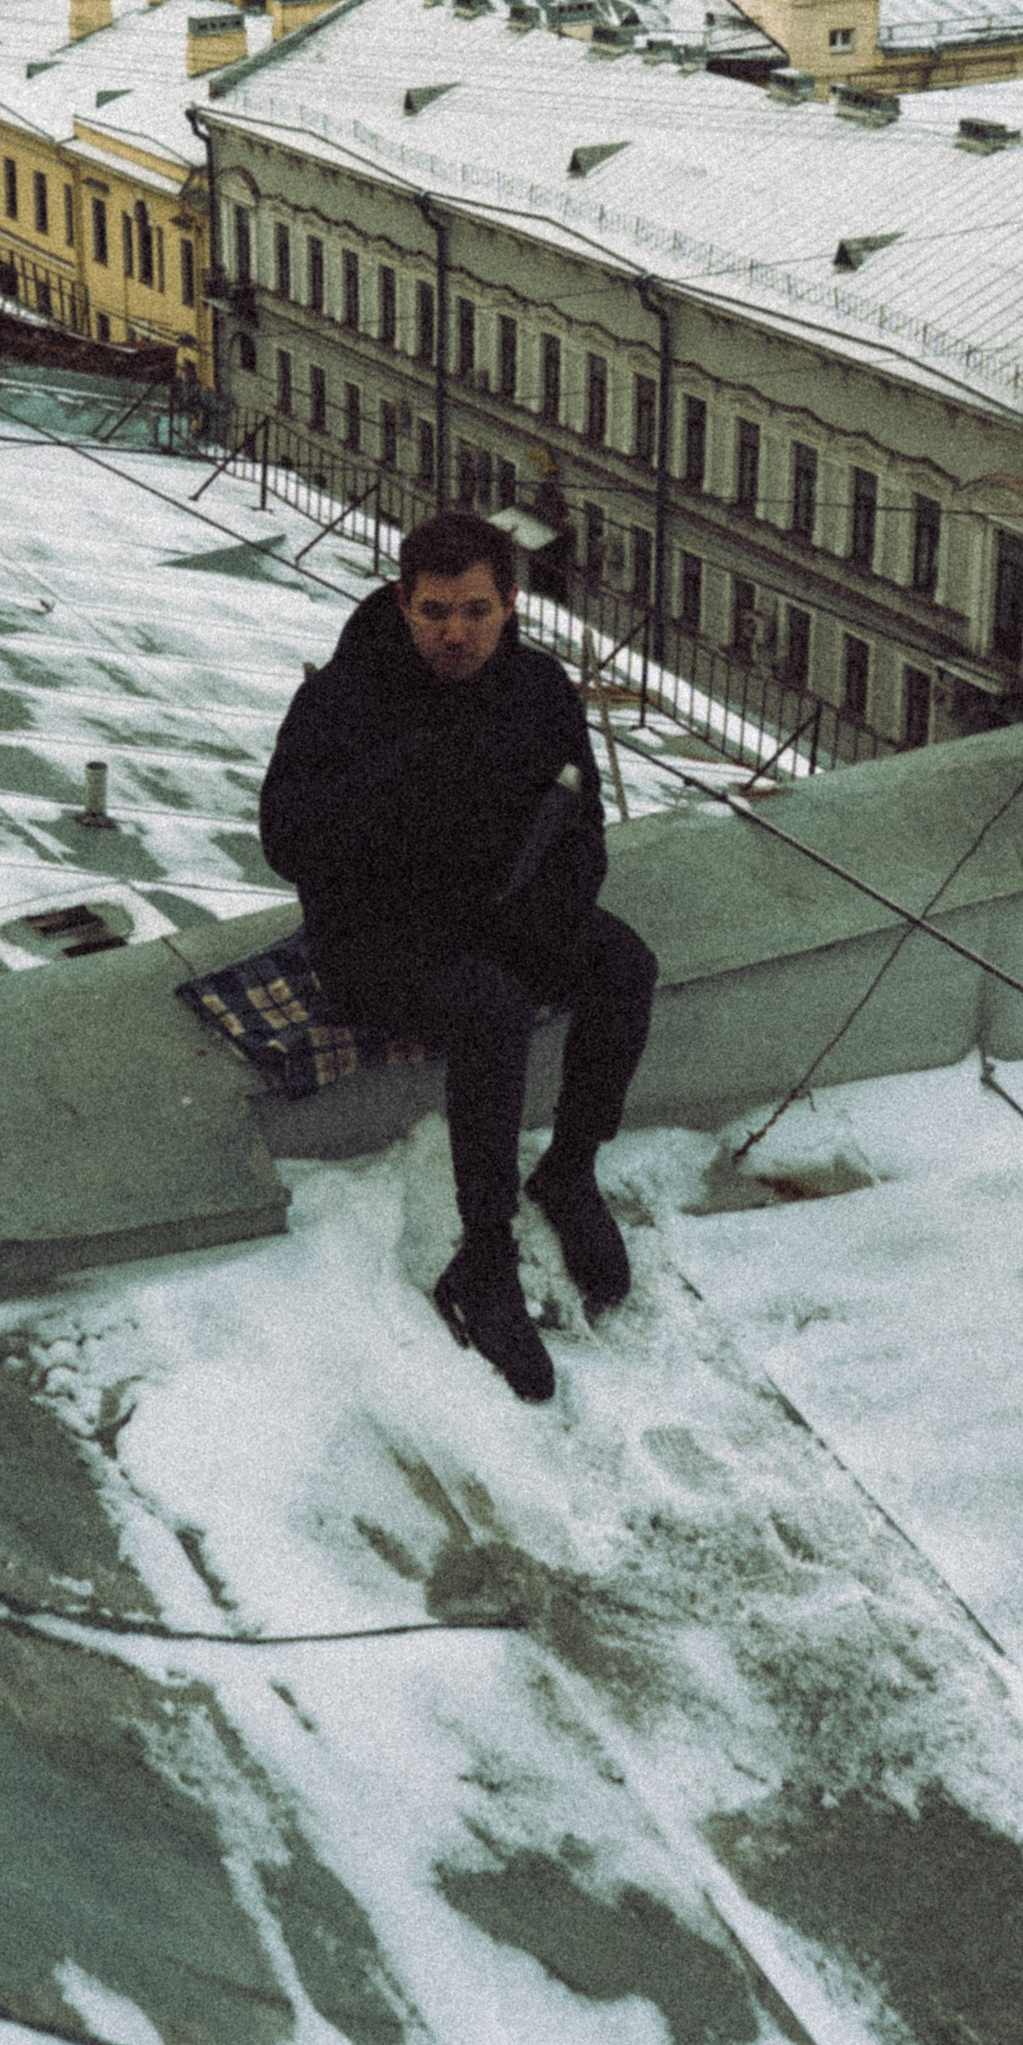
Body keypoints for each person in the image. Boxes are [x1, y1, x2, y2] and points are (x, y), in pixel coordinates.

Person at [258, 508, 659, 1404]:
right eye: (436, 611)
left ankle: (570, 1172)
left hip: (499, 913)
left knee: (624, 966)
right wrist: (397, 782)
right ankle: (484, 1254)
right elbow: (284, 840)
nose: (455, 633)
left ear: (510, 603)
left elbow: (582, 823)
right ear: (403, 602)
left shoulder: (538, 687)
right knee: (492, 1011)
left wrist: (552, 910)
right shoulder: (345, 699)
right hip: (375, 936)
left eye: (477, 611)